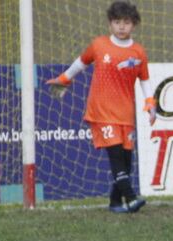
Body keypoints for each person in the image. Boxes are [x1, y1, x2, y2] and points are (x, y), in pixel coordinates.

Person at [46, 1, 153, 214]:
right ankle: (131, 199)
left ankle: (115, 203)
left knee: (126, 162)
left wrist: (150, 103)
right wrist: (64, 78)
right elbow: (81, 62)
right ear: (109, 24)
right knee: (115, 157)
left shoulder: (138, 52)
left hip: (125, 114)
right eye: (117, 22)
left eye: (126, 22)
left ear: (134, 25)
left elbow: (144, 79)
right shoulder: (99, 45)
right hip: (102, 112)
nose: (121, 26)